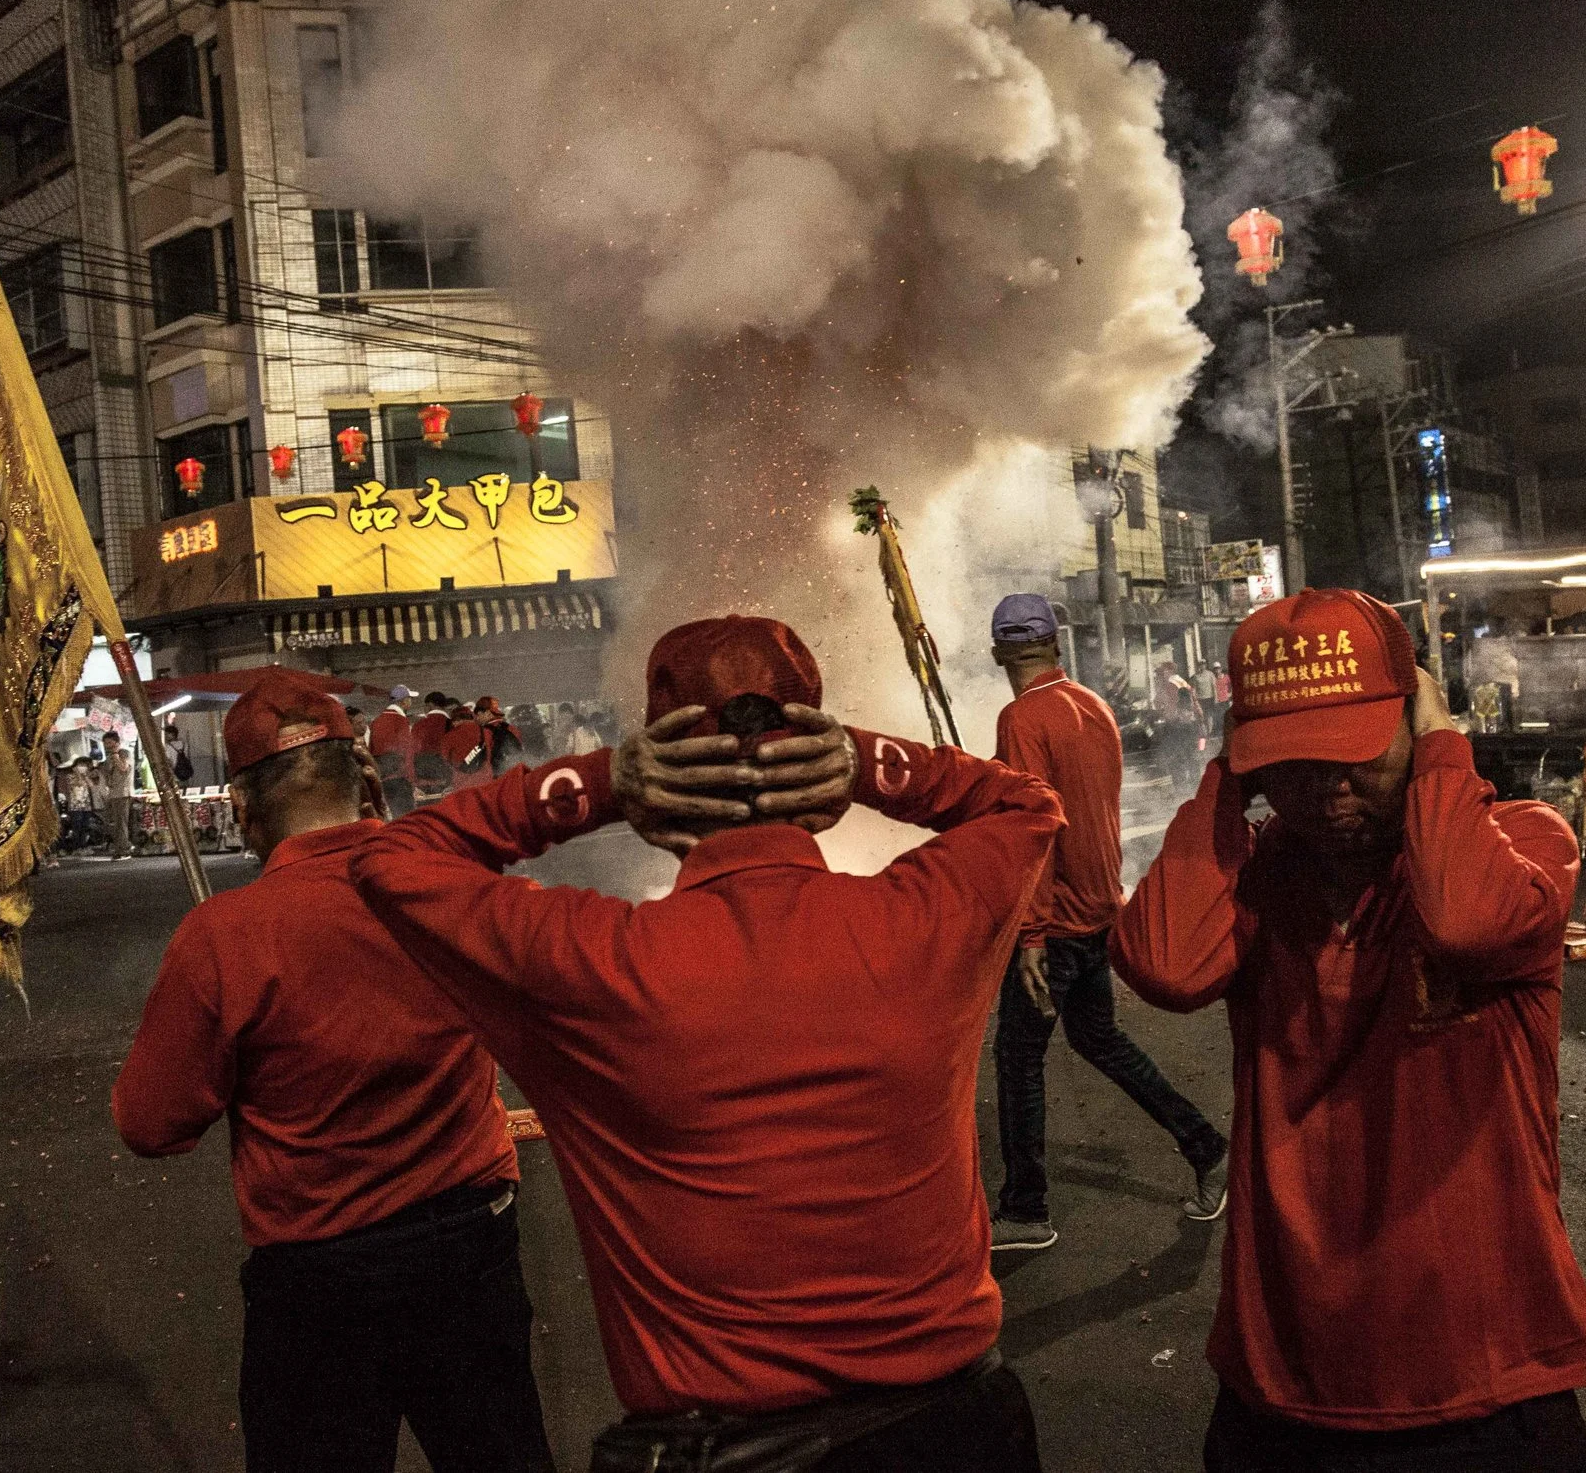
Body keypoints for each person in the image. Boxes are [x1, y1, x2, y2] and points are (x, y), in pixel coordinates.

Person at [353, 616, 1062, 1472]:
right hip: (963, 1434)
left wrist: (601, 782)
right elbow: (1027, 803)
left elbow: (395, 861)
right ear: (817, 756)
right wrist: (867, 762)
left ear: (661, 762)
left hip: (728, 1448)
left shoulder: (598, 966)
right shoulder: (923, 921)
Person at [1112, 587, 1586, 1471]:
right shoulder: (1258, 877)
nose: (1327, 788)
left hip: (1485, 1376)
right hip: (1285, 1377)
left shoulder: (1520, 838)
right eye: (1292, 762)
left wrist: (1445, 747)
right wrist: (1225, 784)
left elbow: (1463, 921)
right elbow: (1164, 965)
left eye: (1355, 753)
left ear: (1416, 721)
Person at [113, 676, 551, 1473]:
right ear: (370, 786)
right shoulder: (453, 887)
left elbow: (150, 1122)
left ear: (245, 812)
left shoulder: (223, 937)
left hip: (319, 1284)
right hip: (470, 1247)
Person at [983, 593, 1226, 1252]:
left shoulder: (1020, 717)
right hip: (1098, 911)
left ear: (1001, 650)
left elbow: (1034, 829)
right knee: (1099, 1041)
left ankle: (1026, 1207)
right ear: (1056, 642)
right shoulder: (1093, 706)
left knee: (1018, 1058)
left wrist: (1029, 934)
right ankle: (1206, 1146)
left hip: (1056, 922)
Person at [370, 684, 419, 818]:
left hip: (382, 779)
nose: (411, 702)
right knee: (407, 817)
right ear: (404, 701)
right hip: (399, 778)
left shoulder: (376, 721)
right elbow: (407, 751)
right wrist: (412, 779)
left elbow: (371, 750)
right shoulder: (400, 720)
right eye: (410, 699)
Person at [101, 731, 135, 859]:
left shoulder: (124, 753)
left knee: (121, 822)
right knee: (115, 823)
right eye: (105, 743)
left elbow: (123, 768)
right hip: (113, 793)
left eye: (110, 743)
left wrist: (115, 754)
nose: (107, 746)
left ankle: (124, 850)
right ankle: (121, 847)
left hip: (123, 792)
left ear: (117, 742)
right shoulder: (109, 757)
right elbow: (107, 774)